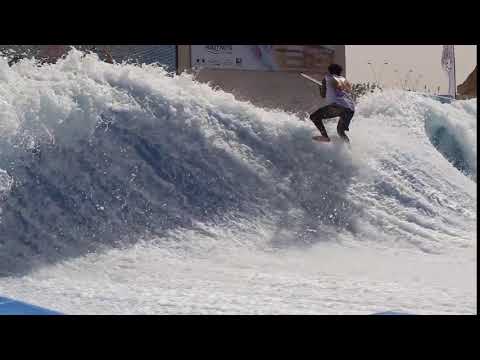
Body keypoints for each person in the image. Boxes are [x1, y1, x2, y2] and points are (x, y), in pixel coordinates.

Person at [309, 63, 355, 143]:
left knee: (314, 117)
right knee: (340, 131)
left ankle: (325, 136)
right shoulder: (344, 80)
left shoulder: (327, 78)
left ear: (330, 71)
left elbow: (323, 95)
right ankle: (349, 148)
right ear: (340, 72)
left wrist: (321, 87)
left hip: (337, 107)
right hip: (350, 110)